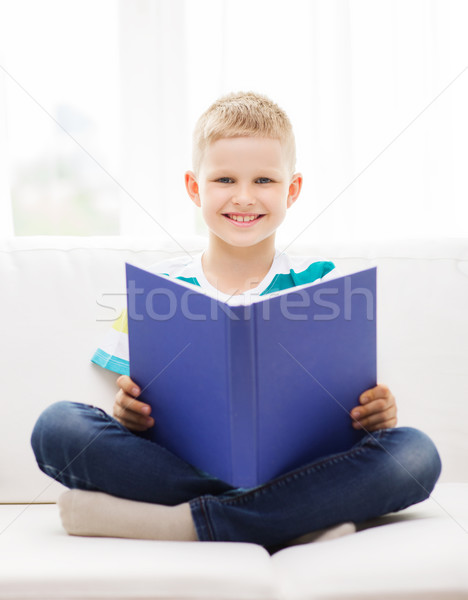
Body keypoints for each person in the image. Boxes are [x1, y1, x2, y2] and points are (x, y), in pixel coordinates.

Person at [31, 92, 441, 549]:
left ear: (292, 190)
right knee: (58, 426)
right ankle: (291, 517)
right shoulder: (157, 291)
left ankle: (187, 523)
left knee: (417, 453)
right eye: (224, 179)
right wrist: (127, 417)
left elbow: (349, 400)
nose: (243, 197)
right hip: (184, 467)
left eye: (264, 179)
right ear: (194, 188)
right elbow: (130, 411)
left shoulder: (323, 285)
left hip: (301, 465)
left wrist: (375, 416)